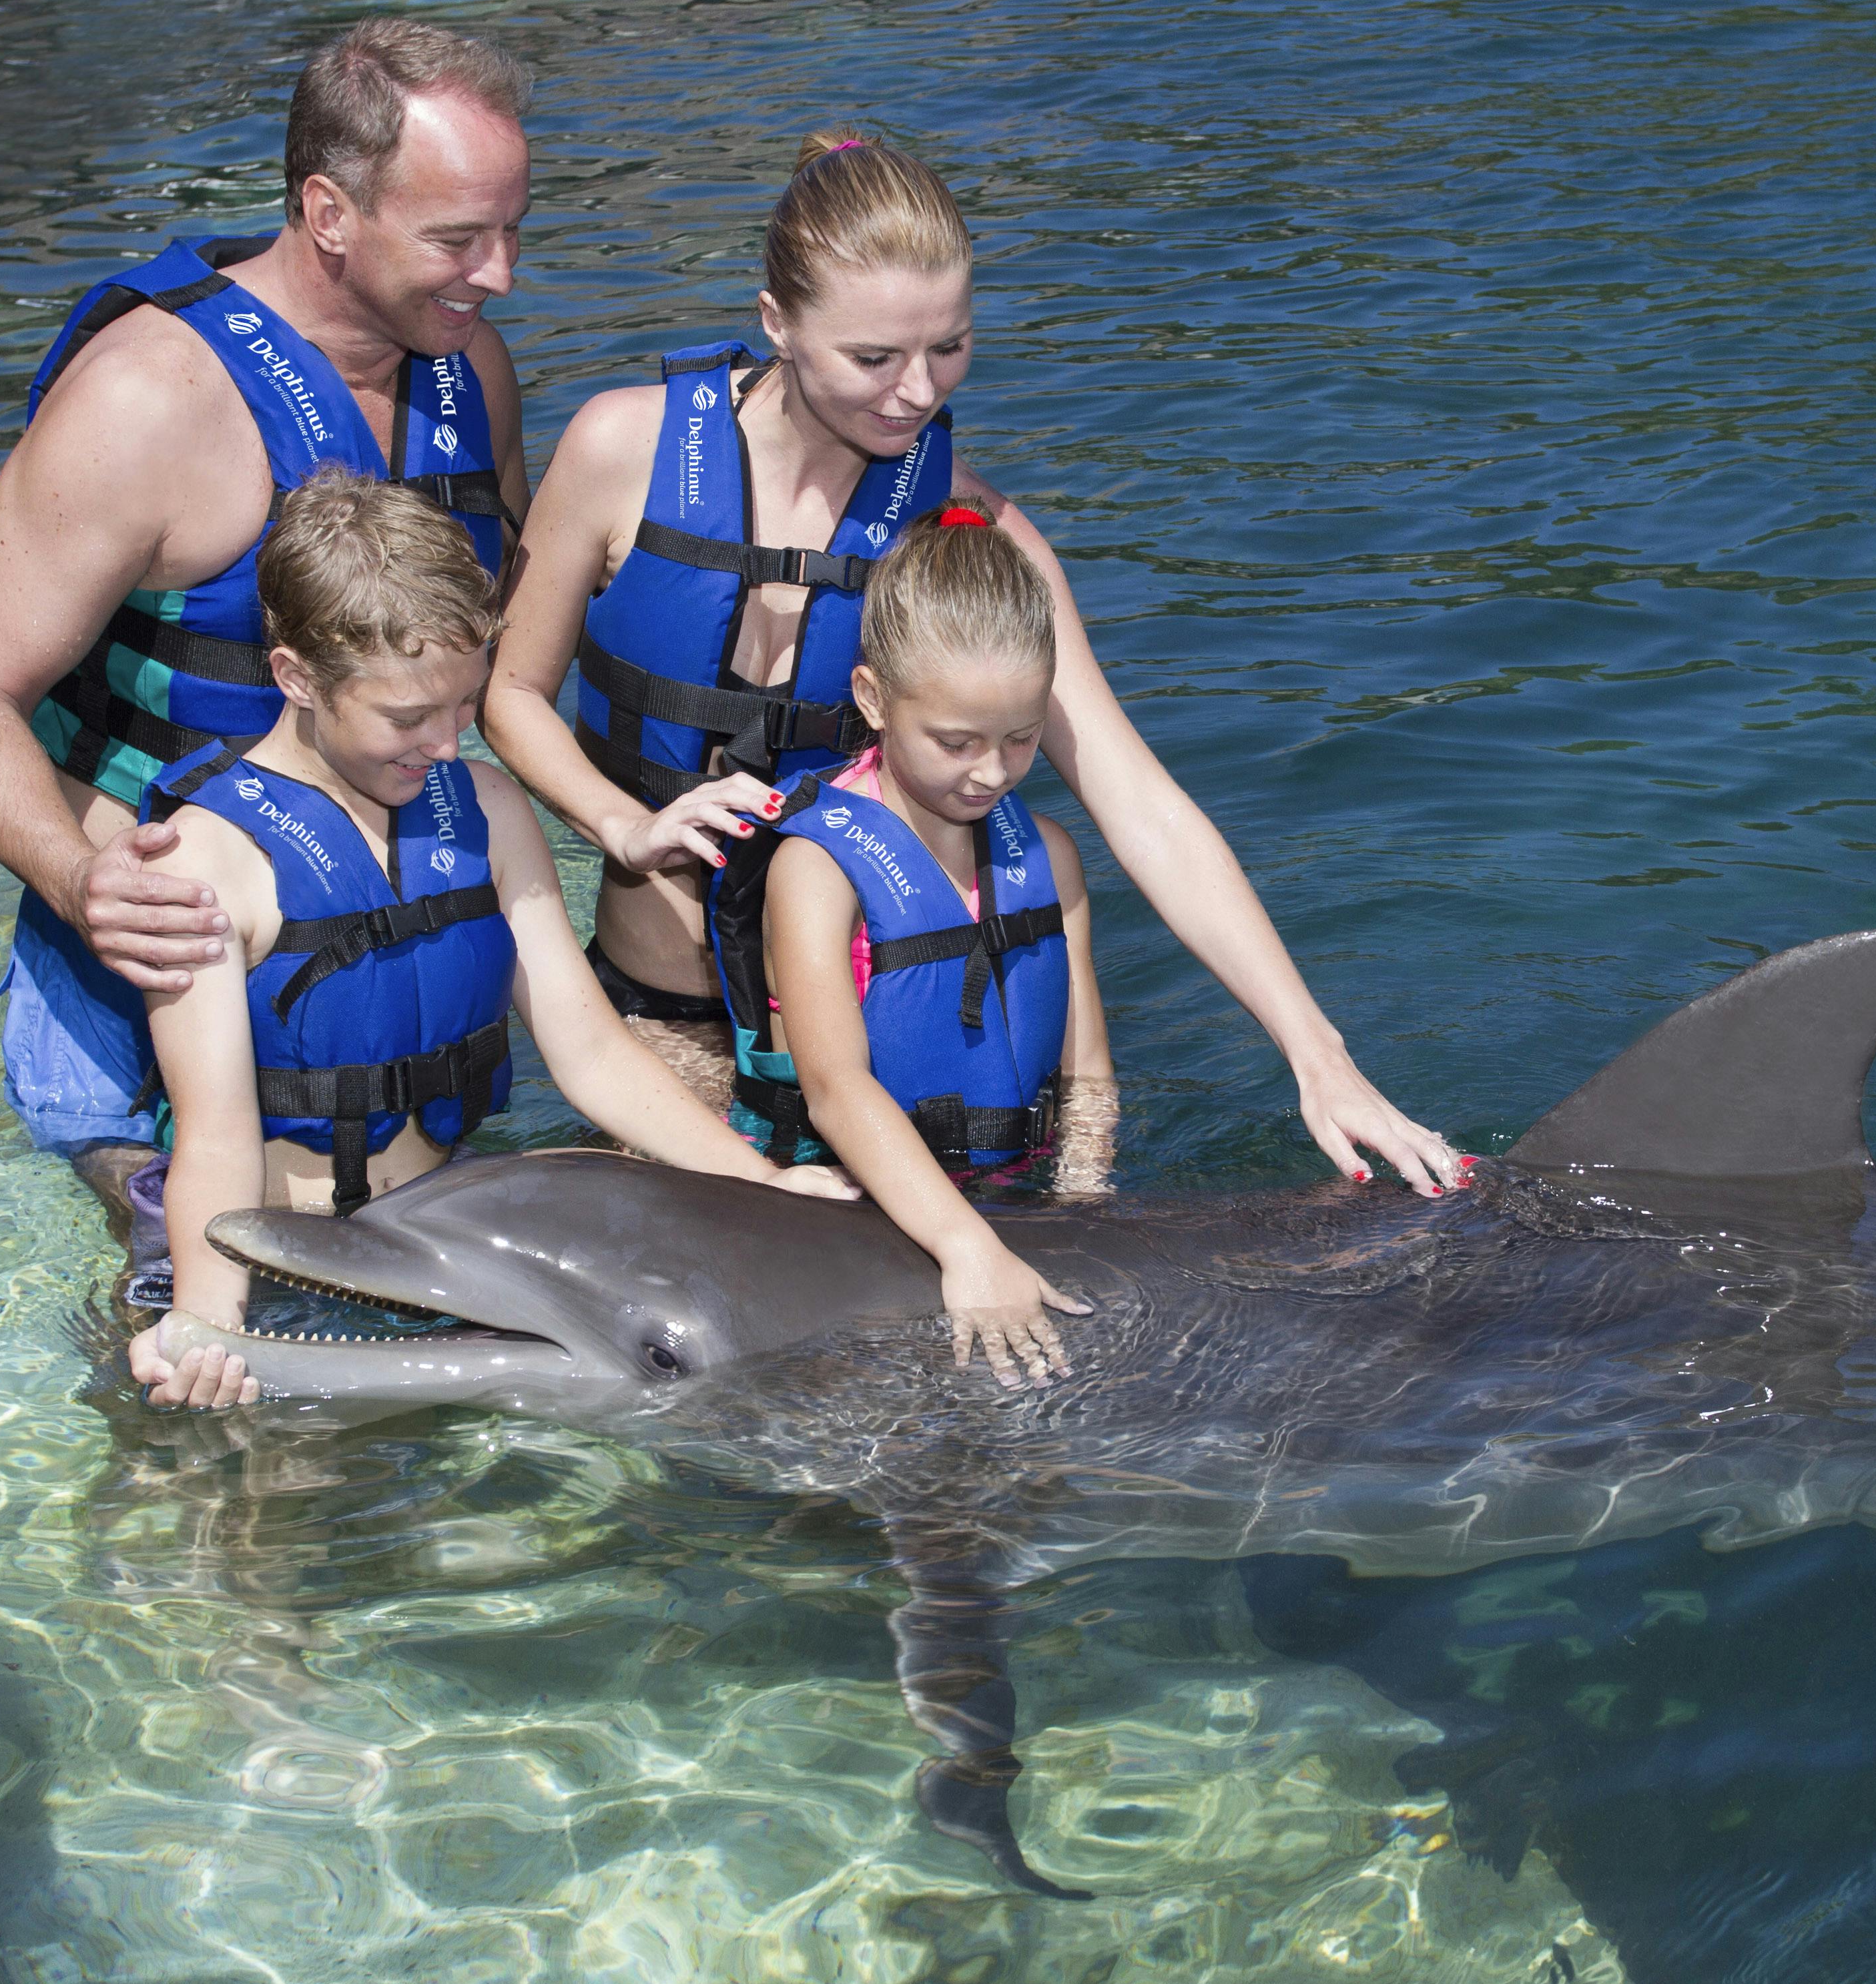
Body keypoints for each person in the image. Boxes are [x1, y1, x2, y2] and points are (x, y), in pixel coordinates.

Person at [483, 131, 1470, 1197]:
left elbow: (1141, 803)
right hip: (666, 1008)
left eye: (948, 349)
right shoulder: (620, 450)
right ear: (777, 322)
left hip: (874, 1031)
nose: (916, 394)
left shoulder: (965, 531)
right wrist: (622, 825)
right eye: (874, 358)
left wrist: (1318, 1056)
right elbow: (510, 693)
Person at [0, 19, 533, 1216]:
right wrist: (78, 877)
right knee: (185, 1346)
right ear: (328, 212)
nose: (501, 273)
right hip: (166, 958)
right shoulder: (147, 404)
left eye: (514, 230)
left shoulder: (469, 370)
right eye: (459, 238)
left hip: (386, 951)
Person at [127, 468, 852, 1410]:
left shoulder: (487, 809)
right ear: (296, 677)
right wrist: (213, 1331)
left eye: (463, 706)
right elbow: (216, 1139)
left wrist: (761, 1186)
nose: (444, 744)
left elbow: (590, 1048)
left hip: (431, 1255)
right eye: (406, 717)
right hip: (266, 1254)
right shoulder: (200, 863)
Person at [706, 505, 1115, 1384]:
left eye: (1022, 738)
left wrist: (1088, 1205)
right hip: (846, 1215)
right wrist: (967, 1247)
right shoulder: (818, 872)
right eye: (957, 742)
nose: (992, 773)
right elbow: (835, 1090)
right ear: (873, 699)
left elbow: (1086, 1070)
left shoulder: (1048, 855)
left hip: (1017, 1193)